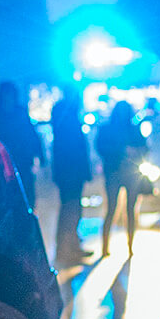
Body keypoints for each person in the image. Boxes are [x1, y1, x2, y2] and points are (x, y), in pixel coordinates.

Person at [95, 100, 147, 258]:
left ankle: (120, 247)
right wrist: (125, 151)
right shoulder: (132, 129)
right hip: (121, 173)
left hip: (122, 173)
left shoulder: (112, 129)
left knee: (117, 210)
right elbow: (101, 148)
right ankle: (118, 247)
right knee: (120, 210)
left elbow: (144, 148)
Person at [0, 81, 45, 205]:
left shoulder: (20, 114)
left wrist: (40, 155)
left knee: (26, 199)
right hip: (1, 166)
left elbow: (31, 136)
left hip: (21, 162)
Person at [48, 93, 92, 268]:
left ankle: (71, 247)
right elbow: (76, 150)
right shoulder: (68, 119)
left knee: (73, 209)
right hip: (70, 173)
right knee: (70, 210)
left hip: (70, 172)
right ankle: (66, 250)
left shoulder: (65, 117)